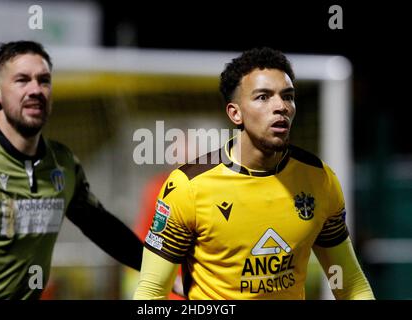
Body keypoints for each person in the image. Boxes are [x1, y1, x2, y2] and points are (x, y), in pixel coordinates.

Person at [134, 47, 374, 300]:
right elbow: (151, 292)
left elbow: (351, 285)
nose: (280, 106)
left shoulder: (319, 180)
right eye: (263, 97)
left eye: (288, 96)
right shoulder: (188, 187)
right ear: (235, 113)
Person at [0, 40, 143, 299]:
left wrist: (163, 272)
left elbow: (101, 226)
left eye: (44, 80)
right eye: (22, 80)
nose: (36, 90)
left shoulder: (63, 162)